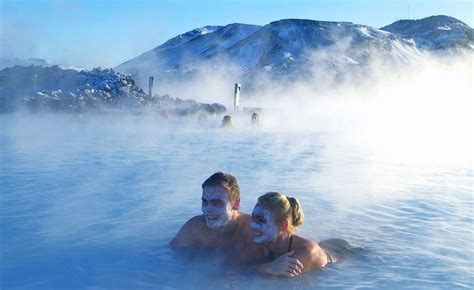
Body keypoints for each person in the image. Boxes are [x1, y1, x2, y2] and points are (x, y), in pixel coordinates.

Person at [248, 192, 349, 277]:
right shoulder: (264, 243)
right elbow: (240, 270)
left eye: (261, 220)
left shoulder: (305, 252)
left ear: (283, 225)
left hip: (341, 256)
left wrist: (268, 267)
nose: (252, 225)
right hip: (325, 246)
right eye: (253, 218)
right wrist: (270, 267)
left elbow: (277, 282)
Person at [170, 172, 263, 261]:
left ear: (236, 203)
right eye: (205, 202)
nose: (208, 209)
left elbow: (275, 262)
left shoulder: (253, 229)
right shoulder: (194, 228)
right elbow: (169, 254)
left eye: (216, 203)